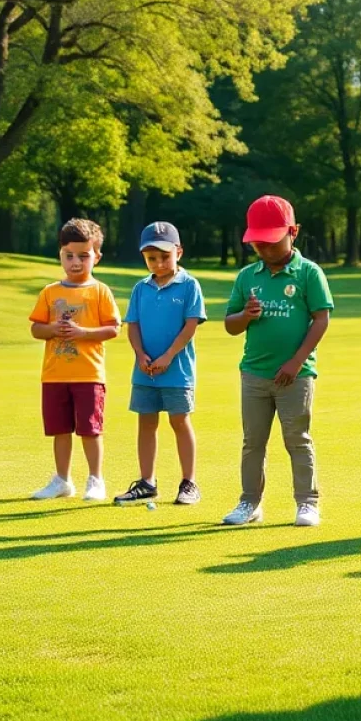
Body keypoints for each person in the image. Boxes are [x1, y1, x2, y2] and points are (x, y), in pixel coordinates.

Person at [222, 196, 333, 528]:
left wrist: (296, 362)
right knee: (252, 442)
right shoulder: (247, 276)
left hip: (295, 376)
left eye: (271, 241)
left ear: (293, 232)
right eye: (258, 242)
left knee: (297, 439)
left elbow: (321, 319)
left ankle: (307, 503)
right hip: (254, 373)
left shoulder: (308, 273)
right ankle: (249, 503)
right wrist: (246, 314)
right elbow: (230, 324)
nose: (265, 249)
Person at [29, 219, 120, 502]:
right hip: (55, 374)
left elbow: (113, 328)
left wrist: (83, 333)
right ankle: (62, 480)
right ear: (60, 255)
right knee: (60, 430)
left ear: (97, 257)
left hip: (89, 374)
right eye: (69, 256)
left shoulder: (100, 291)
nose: (76, 262)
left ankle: (95, 479)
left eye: (84, 256)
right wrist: (53, 329)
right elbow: (36, 328)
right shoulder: (50, 292)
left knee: (90, 430)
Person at [114, 222, 205, 507]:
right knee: (146, 422)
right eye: (152, 258)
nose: (159, 263)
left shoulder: (189, 284)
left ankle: (189, 482)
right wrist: (140, 355)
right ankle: (147, 482)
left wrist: (167, 357)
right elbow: (133, 326)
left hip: (177, 370)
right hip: (145, 370)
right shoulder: (141, 288)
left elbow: (191, 326)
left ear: (178, 252)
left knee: (179, 420)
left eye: (165, 256)